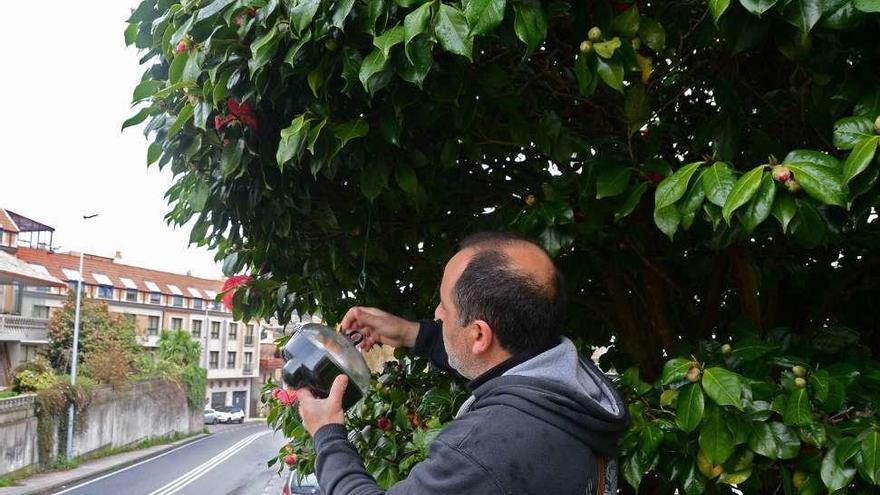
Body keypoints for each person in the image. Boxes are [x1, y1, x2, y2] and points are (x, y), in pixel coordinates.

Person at [294, 232, 629, 494]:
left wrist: (328, 435)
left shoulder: (485, 451)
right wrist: (412, 334)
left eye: (444, 307)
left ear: (479, 334)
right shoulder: (572, 382)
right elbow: (493, 365)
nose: (438, 314)